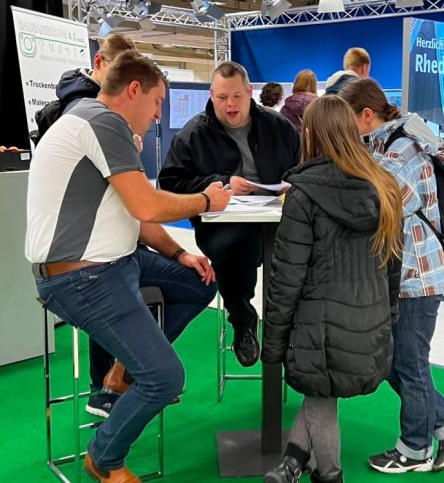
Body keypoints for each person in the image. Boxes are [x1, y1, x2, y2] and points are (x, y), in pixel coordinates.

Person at [26, 51, 231, 483]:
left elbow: (134, 217)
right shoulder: (104, 122)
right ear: (133, 91)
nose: (159, 116)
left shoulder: (94, 120)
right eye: (157, 102)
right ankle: (104, 458)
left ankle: (122, 372)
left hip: (114, 261)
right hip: (82, 277)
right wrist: (207, 200)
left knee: (197, 283)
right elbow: (146, 203)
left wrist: (180, 254)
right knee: (165, 377)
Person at [261, 95, 403, 483]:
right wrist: (388, 318)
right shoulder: (385, 186)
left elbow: (286, 278)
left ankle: (329, 475)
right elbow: (394, 265)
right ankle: (292, 461)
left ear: (310, 133)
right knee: (321, 390)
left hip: (318, 324)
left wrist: (272, 344)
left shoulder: (303, 194)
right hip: (369, 319)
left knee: (321, 395)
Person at [339, 78, 444, 474]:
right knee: (395, 363)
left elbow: (384, 201)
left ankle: (414, 449)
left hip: (418, 275)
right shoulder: (387, 144)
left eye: (349, 123)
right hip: (408, 274)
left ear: (367, 115)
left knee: (408, 364)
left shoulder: (401, 149)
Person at [158, 61, 300, 367]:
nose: (230, 104)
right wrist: (221, 183)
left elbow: (302, 168)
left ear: (250, 92)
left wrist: (291, 187)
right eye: (222, 98)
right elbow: (169, 183)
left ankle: (295, 329)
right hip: (222, 225)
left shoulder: (279, 127)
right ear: (211, 95)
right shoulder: (194, 134)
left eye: (236, 96)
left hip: (279, 220)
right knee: (233, 247)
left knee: (303, 252)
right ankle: (242, 319)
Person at [35, 33, 141, 418]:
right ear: (99, 64)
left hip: (107, 228)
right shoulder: (85, 110)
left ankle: (126, 374)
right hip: (86, 247)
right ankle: (106, 386)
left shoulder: (87, 108)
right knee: (108, 286)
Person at [281, 69, 318, 134]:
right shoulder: (320, 107)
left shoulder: (285, 109)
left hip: (293, 143)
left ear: (296, 84)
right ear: (314, 85)